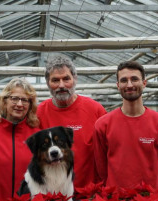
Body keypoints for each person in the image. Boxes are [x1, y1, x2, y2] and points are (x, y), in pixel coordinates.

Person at [94, 61, 158, 192]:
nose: (129, 85)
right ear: (118, 85)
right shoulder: (103, 124)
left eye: (134, 79)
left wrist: (155, 187)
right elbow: (101, 167)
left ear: (144, 83)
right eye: (124, 80)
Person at [37, 55, 107, 189]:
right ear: (48, 83)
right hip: (53, 193)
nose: (61, 85)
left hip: (89, 192)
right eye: (55, 80)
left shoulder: (95, 110)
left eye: (66, 79)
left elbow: (108, 151)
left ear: (75, 79)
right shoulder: (39, 113)